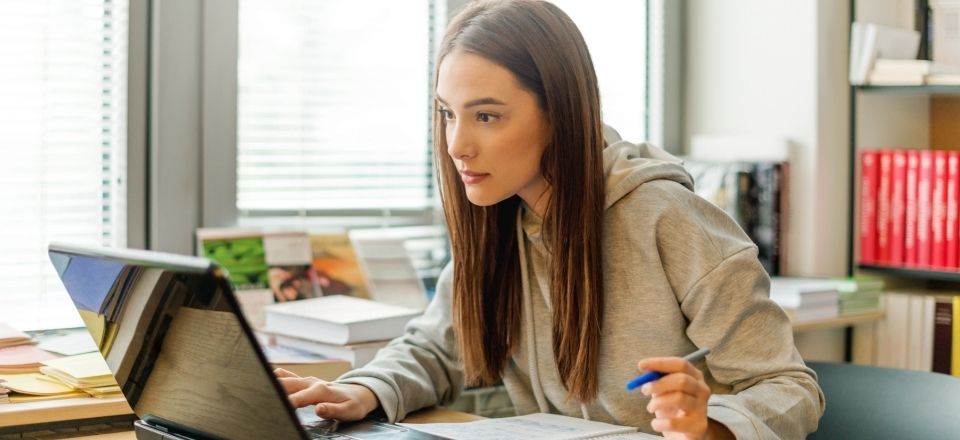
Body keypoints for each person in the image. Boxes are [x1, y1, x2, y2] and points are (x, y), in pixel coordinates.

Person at [275, 1, 825, 438]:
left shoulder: (669, 220)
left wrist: (711, 429)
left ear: (560, 112)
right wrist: (364, 390)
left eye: (486, 115)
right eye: (447, 113)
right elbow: (436, 349)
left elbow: (788, 387)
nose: (457, 145)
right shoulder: (500, 219)